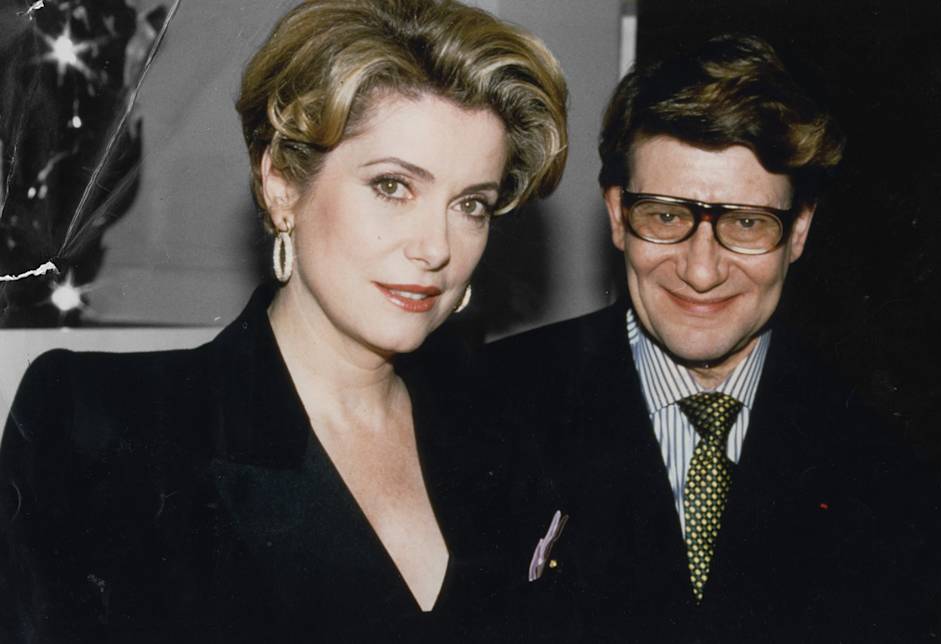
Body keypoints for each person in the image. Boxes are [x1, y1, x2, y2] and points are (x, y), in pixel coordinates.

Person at [0, 0, 567, 641]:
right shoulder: (101, 426)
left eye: (470, 205)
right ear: (282, 186)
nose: (437, 247)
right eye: (392, 186)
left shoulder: (506, 431)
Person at [488, 34, 941, 643]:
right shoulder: (492, 407)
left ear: (799, 230)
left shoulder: (893, 453)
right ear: (618, 215)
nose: (701, 272)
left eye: (747, 223)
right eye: (666, 216)